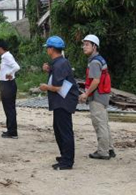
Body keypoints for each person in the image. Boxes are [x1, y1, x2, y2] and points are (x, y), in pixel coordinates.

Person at [39, 36, 80, 170]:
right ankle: (64, 155)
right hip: (61, 101)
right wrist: (49, 70)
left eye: (48, 48)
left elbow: (58, 87)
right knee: (58, 129)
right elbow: (58, 75)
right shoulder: (59, 62)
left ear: (51, 49)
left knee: (64, 131)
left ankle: (67, 161)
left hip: (64, 101)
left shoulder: (60, 63)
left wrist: (45, 87)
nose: (47, 50)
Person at [79, 34, 115, 160]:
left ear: (94, 47)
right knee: (104, 123)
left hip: (97, 97)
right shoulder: (99, 59)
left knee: (99, 124)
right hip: (103, 96)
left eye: (87, 44)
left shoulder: (94, 62)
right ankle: (109, 149)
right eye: (84, 44)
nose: (84, 47)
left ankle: (103, 152)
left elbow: (96, 81)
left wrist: (86, 94)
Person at [0, 39, 21, 139]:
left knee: (9, 108)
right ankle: (10, 129)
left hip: (7, 85)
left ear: (0, 48)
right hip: (7, 84)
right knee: (9, 108)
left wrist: (9, 74)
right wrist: (10, 73)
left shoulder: (7, 56)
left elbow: (16, 67)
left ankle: (12, 131)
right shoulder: (5, 57)